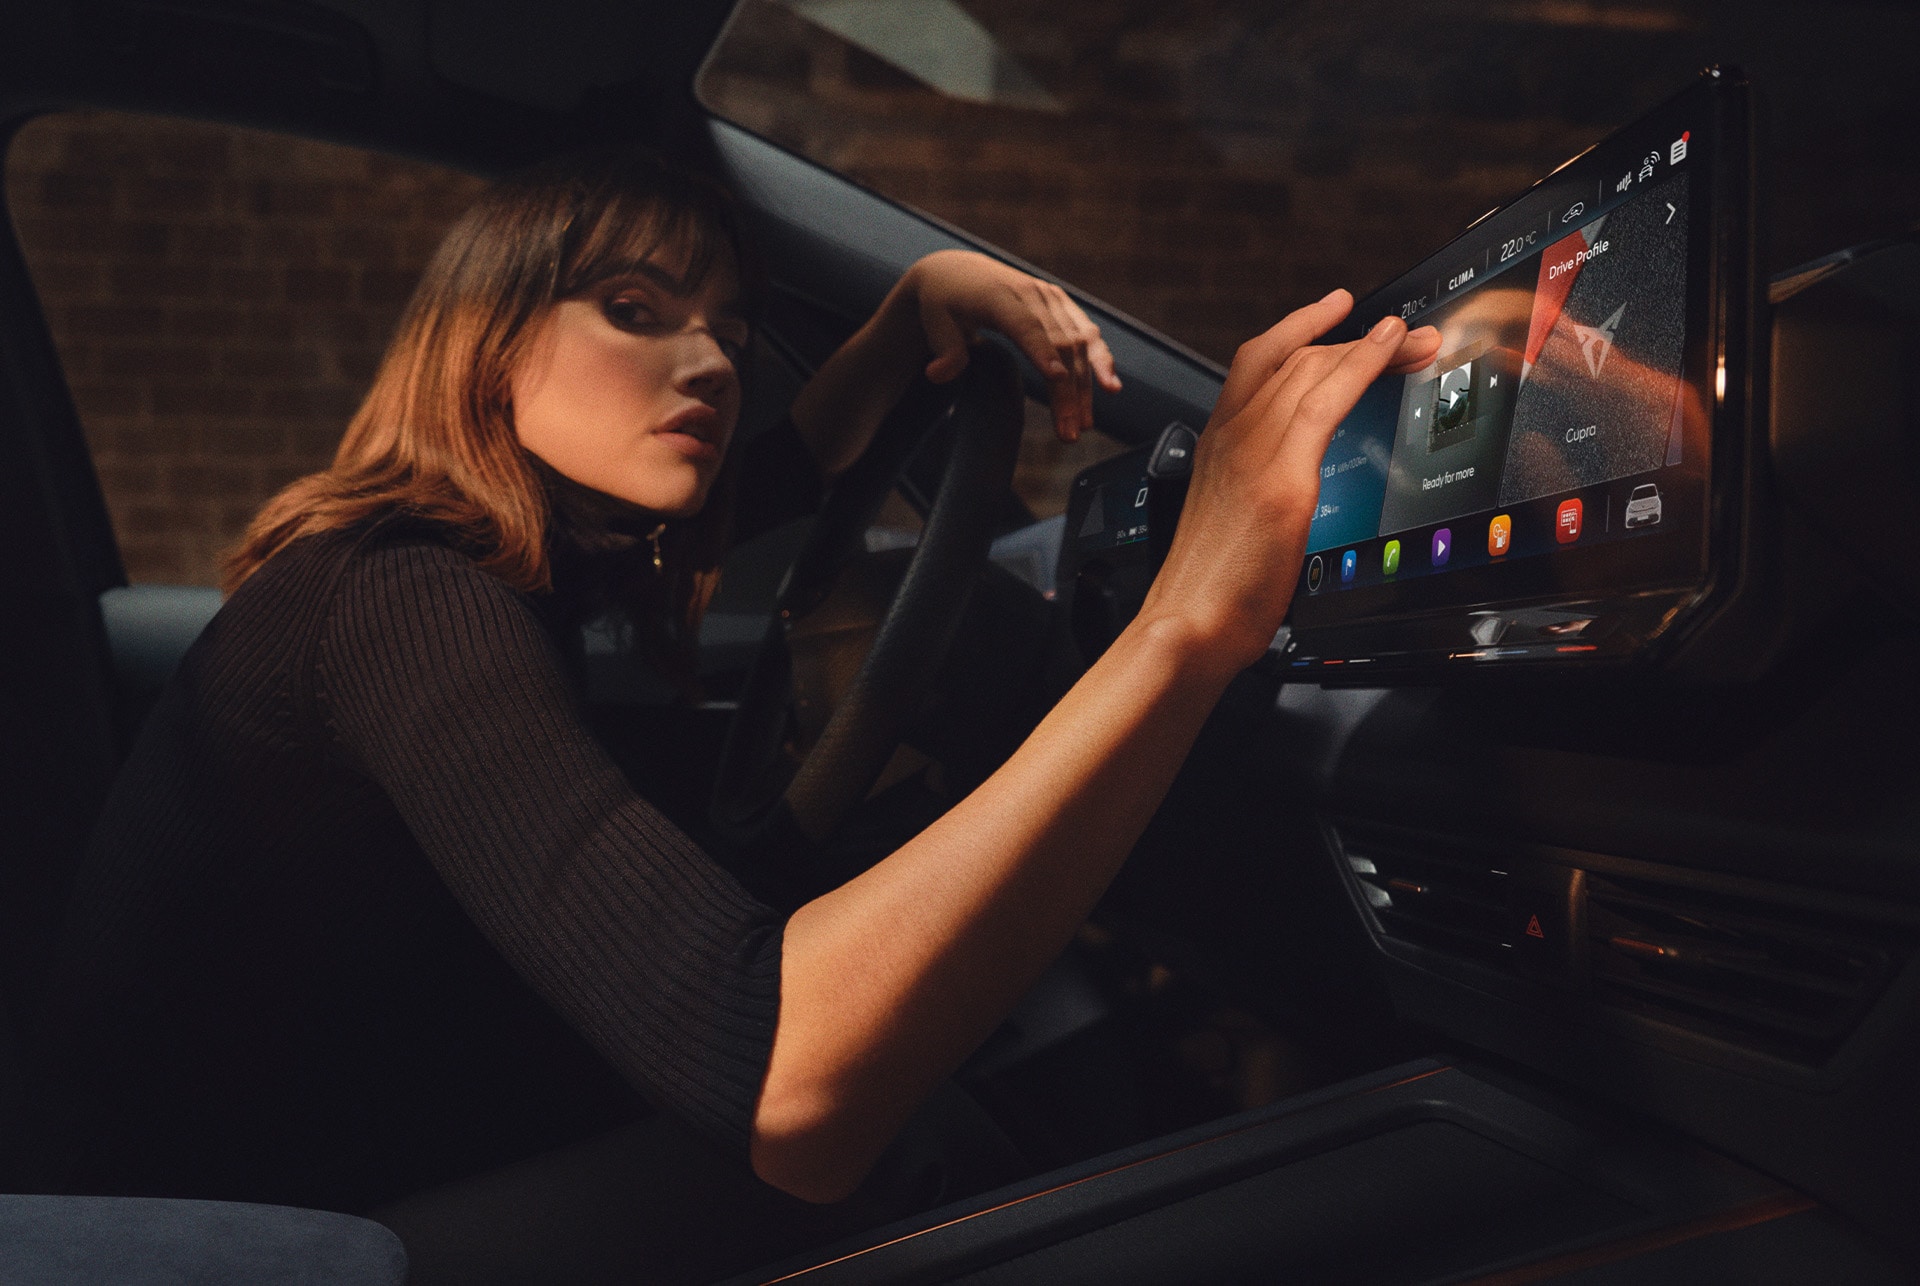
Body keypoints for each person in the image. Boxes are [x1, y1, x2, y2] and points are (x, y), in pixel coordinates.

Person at [41, 149, 1439, 1281]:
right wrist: (1187, 621)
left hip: (349, 1127)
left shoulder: (494, 560)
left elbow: (766, 481)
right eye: (637, 310)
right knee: (917, 1150)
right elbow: (791, 1084)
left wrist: (909, 311)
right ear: (484, 342)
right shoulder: (408, 601)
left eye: (723, 324)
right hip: (241, 1231)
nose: (707, 359)